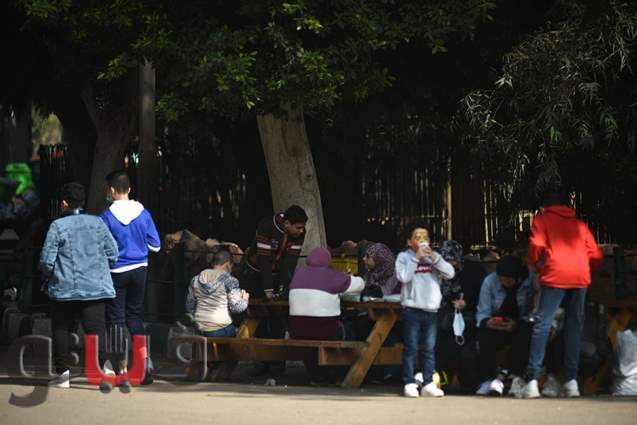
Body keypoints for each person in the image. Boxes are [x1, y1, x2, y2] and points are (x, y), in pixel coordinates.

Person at [523, 191, 602, 398]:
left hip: (555, 274)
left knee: (542, 324)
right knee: (574, 327)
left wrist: (534, 264)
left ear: (544, 207)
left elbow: (536, 245)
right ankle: (572, 381)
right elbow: (595, 253)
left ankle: (532, 380)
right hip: (580, 276)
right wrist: (586, 271)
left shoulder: (542, 220)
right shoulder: (579, 225)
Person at [40, 182, 118, 390]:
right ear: (82, 202)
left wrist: (51, 275)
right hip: (95, 288)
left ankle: (63, 374)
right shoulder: (98, 223)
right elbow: (113, 253)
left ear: (64, 203)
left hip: (64, 288)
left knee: (61, 329)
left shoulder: (57, 226)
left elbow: (46, 261)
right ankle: (104, 370)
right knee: (96, 330)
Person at [100, 171, 161, 388]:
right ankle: (144, 363)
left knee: (116, 320)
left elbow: (101, 247)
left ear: (112, 190)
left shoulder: (106, 216)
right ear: (129, 189)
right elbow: (155, 245)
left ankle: (122, 370)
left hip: (116, 271)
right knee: (135, 317)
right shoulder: (143, 213)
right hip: (140, 270)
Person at [396, 224, 455, 397]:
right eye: (417, 237)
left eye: (425, 237)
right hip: (412, 309)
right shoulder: (404, 257)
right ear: (409, 242)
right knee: (411, 347)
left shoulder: (434, 257)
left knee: (429, 348)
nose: (422, 241)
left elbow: (450, 273)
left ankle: (428, 383)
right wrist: (416, 259)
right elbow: (403, 277)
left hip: (431, 310)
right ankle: (409, 383)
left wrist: (435, 259)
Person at [475, 255, 534, 396]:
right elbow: (482, 312)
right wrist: (488, 322)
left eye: (508, 280)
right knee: (484, 334)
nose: (504, 282)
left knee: (527, 331)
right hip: (496, 326)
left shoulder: (530, 282)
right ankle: (487, 379)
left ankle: (503, 376)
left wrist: (516, 324)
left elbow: (534, 313)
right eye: (501, 279)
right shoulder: (490, 282)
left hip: (519, 325)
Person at [436, 240, 485, 394]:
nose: (449, 264)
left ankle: (468, 384)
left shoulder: (474, 272)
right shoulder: (438, 272)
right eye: (445, 261)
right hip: (446, 320)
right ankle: (441, 381)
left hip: (469, 319)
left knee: (466, 348)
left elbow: (482, 299)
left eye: (452, 260)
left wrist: (467, 303)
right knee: (441, 343)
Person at [288, 247, 364, 340]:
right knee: (350, 330)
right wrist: (346, 276)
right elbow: (360, 284)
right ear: (329, 261)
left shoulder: (297, 274)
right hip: (326, 333)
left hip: (297, 333)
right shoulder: (331, 276)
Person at [240, 205, 308, 299]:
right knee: (254, 301)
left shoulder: (300, 233)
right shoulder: (267, 225)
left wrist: (282, 287)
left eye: (303, 228)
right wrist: (268, 288)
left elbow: (291, 262)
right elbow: (263, 258)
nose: (301, 231)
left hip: (276, 273)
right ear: (287, 223)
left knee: (277, 301)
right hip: (254, 270)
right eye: (298, 227)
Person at [186, 250, 249, 337]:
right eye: (232, 266)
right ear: (228, 264)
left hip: (199, 329)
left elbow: (190, 305)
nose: (232, 269)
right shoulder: (230, 281)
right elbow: (236, 308)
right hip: (221, 329)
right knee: (243, 332)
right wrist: (245, 299)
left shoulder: (196, 279)